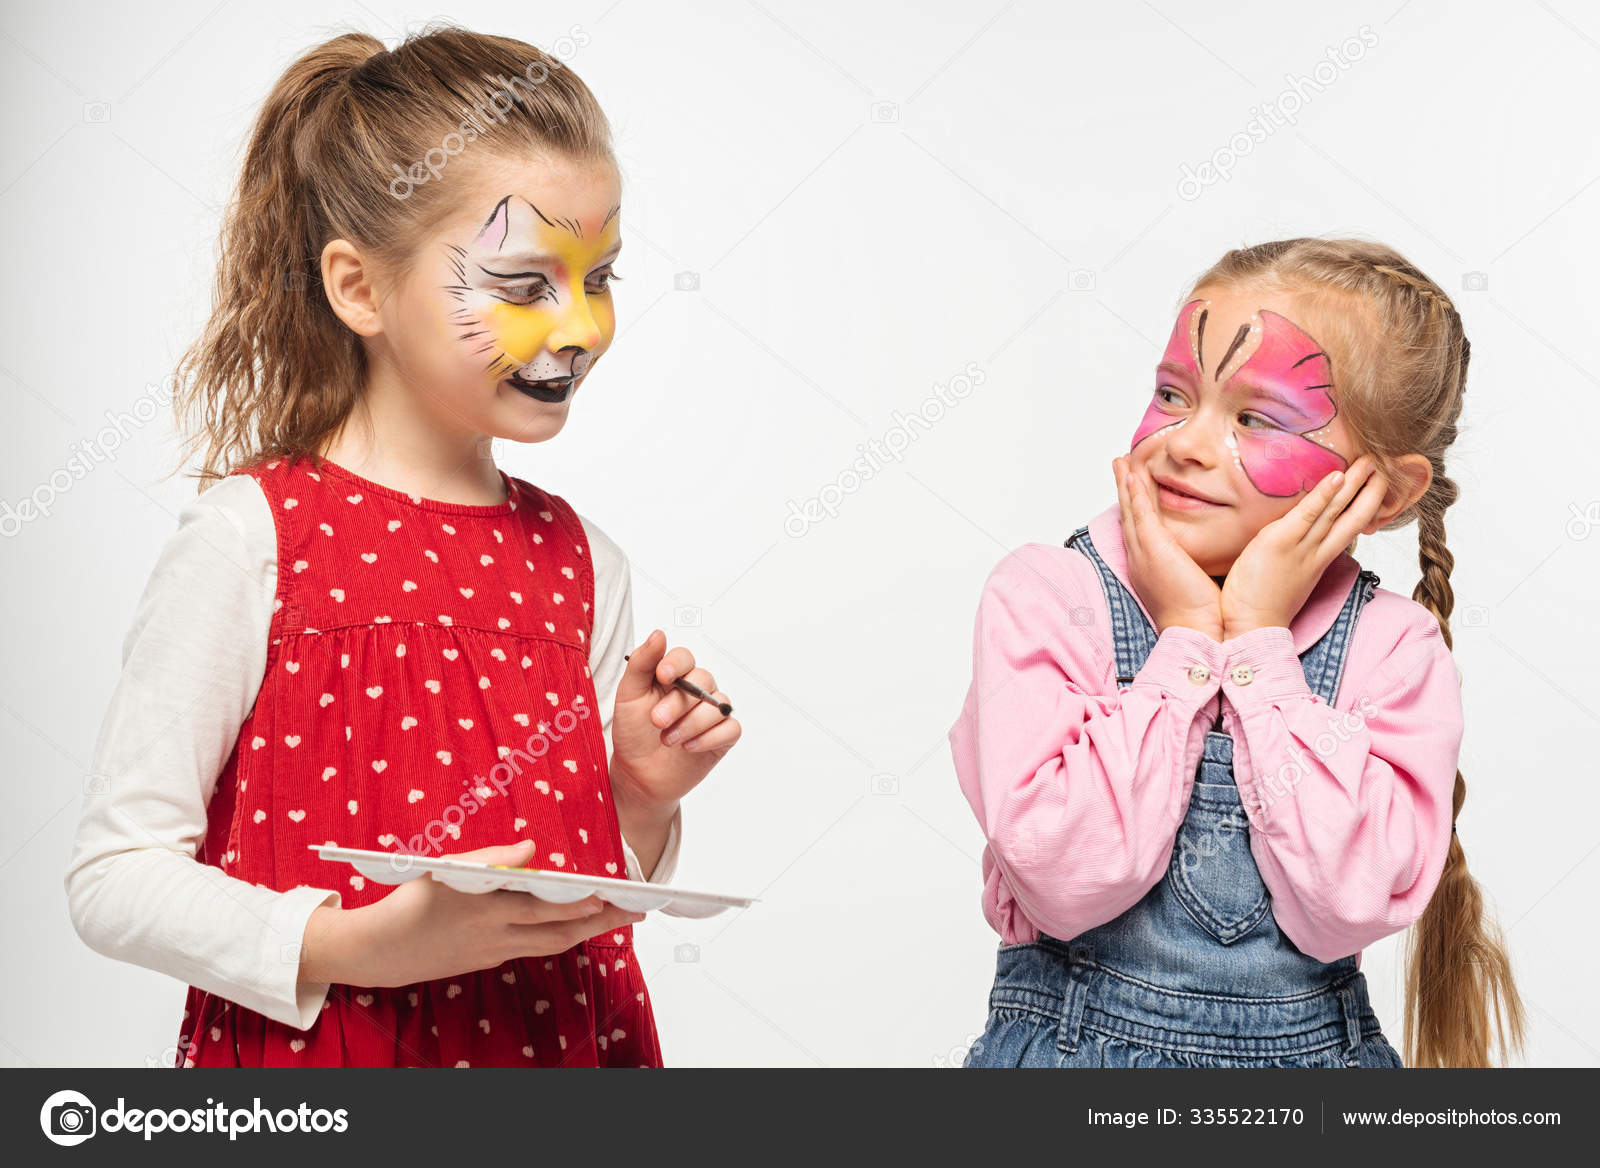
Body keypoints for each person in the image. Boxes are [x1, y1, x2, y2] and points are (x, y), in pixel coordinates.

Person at [65, 25, 740, 1067]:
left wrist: (638, 794)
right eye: (523, 286)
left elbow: (578, 891)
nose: (581, 327)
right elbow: (116, 875)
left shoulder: (582, 561)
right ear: (360, 289)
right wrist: (352, 946)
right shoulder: (256, 536)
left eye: (597, 277)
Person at [950, 238, 1524, 1068]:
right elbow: (1061, 875)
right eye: (1173, 394)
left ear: (1384, 494)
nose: (1186, 442)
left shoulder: (1391, 649)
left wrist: (1257, 642)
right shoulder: (1049, 598)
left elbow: (1342, 905)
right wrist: (1186, 638)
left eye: (1255, 418)